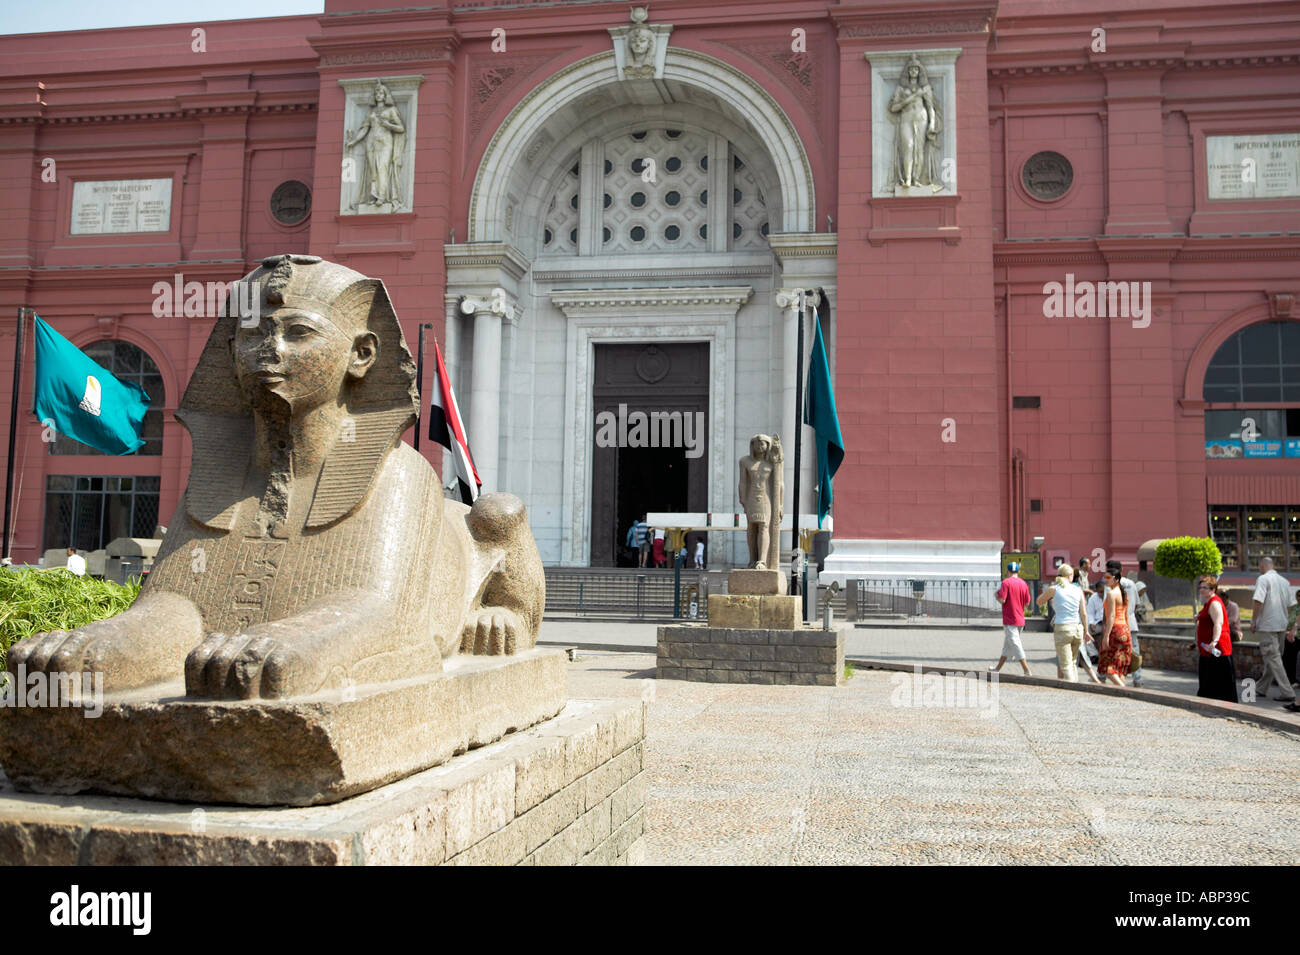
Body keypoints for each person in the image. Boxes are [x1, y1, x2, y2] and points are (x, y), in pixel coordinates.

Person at [1250, 556, 1297, 704]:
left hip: (1268, 625)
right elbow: (1290, 605)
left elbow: (1258, 601)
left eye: (1259, 566)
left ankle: (1287, 692)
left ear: (1262, 565)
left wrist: (1253, 620)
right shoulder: (1285, 582)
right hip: (1281, 625)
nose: (1258, 569)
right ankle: (1261, 688)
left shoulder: (1263, 579)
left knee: (1274, 658)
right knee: (1274, 658)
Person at [1037, 562, 1090, 682]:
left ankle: (1073, 690)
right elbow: (1083, 613)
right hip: (1078, 629)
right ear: (1070, 575)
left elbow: (1039, 602)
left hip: (1063, 628)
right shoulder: (1078, 589)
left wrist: (1051, 601)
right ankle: (1076, 686)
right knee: (1072, 662)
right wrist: (1086, 631)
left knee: (1065, 666)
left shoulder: (1054, 589)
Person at [1195, 575, 1238, 702]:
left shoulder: (1214, 603)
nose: (1202, 590)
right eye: (1200, 587)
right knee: (1210, 678)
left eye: (1205, 587)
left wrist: (1214, 642)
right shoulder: (1209, 602)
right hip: (1208, 649)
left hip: (1216, 649)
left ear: (1213, 589)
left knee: (1218, 678)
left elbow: (1218, 623)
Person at [991, 561, 1032, 675]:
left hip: (1010, 619)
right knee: (1008, 646)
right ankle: (997, 669)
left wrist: (996, 596)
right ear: (1017, 571)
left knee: (1015, 644)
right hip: (1020, 619)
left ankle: (1026, 669)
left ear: (1008, 571)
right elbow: (1027, 602)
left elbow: (1002, 600)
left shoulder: (1006, 582)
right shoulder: (1024, 584)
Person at [1109, 561, 1144, 687]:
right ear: (1122, 569)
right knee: (1134, 651)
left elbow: (1107, 608)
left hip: (1116, 624)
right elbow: (1137, 604)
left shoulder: (1110, 584)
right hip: (1131, 622)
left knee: (1115, 652)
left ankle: (1112, 677)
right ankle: (1138, 678)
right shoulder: (1131, 583)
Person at [1097, 566, 1132, 687]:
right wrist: (1128, 633)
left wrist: (1106, 636)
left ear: (1116, 580)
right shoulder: (1124, 594)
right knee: (1119, 667)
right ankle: (1123, 692)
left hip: (1115, 629)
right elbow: (1126, 615)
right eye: (1104, 577)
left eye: (1108, 578)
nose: (1105, 580)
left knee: (1109, 668)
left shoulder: (1112, 594)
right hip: (1124, 630)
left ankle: (1124, 690)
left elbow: (1111, 616)